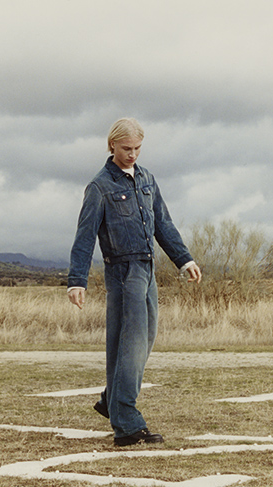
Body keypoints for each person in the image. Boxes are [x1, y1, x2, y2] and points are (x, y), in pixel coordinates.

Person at [67, 117, 201, 447]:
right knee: (130, 345)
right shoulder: (100, 187)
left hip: (147, 269)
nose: (133, 154)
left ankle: (111, 400)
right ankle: (126, 422)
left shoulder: (147, 179)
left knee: (145, 339)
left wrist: (185, 259)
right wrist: (77, 280)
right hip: (122, 273)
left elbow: (163, 224)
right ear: (112, 144)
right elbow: (84, 236)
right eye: (127, 148)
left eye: (138, 148)